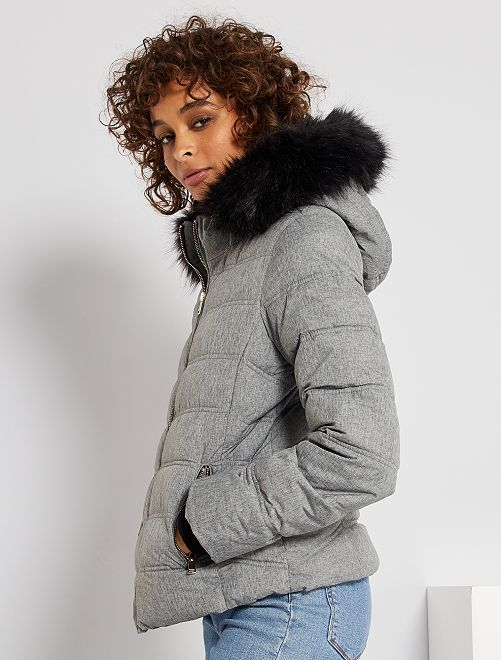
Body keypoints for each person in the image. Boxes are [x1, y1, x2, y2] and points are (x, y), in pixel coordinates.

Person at [103, 14, 400, 659]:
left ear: (258, 114)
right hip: (247, 593)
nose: (180, 151)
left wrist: (202, 525)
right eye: (165, 135)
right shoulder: (242, 258)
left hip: (292, 602)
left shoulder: (304, 241)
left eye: (200, 120)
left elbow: (362, 452)